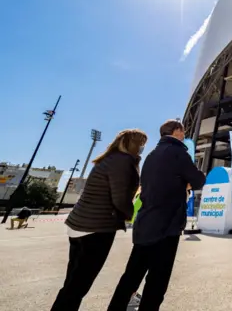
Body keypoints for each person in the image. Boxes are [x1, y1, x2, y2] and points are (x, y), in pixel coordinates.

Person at [108, 120, 206, 311]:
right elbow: (198, 179)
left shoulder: (151, 156)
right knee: (157, 281)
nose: (184, 135)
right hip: (166, 226)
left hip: (145, 223)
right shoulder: (178, 152)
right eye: (182, 131)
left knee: (131, 276)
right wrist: (188, 182)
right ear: (176, 131)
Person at [51, 129, 146, 311]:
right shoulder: (123, 162)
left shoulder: (108, 159)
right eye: (141, 144)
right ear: (134, 144)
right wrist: (131, 214)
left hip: (78, 225)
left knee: (72, 282)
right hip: (96, 228)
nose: (142, 148)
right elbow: (119, 199)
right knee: (78, 286)